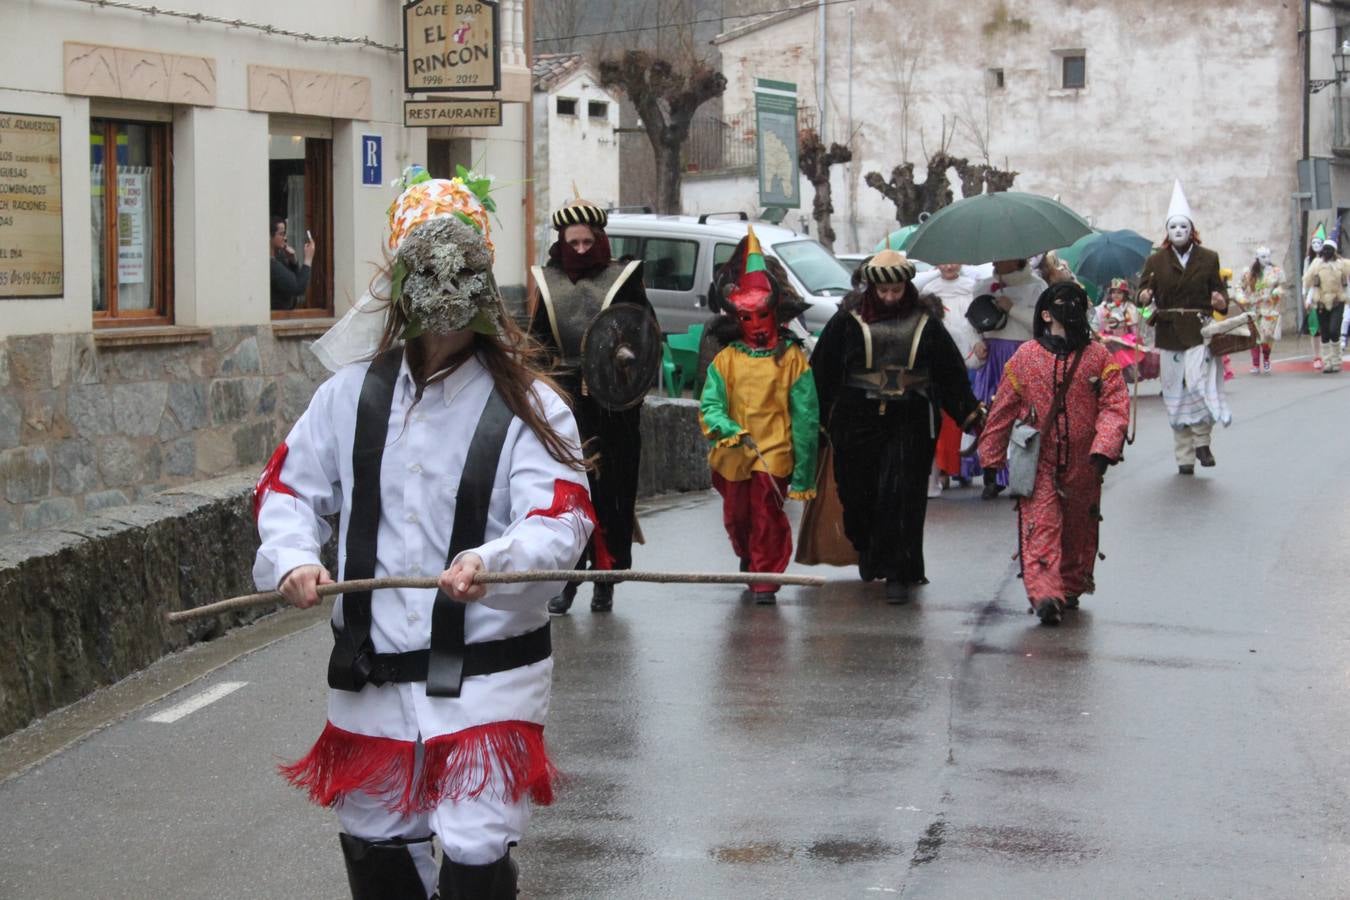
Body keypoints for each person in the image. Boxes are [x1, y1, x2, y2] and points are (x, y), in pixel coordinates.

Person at [254, 166, 596, 899]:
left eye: (458, 285)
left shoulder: (531, 408)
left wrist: (493, 559)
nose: (443, 314)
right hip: (370, 678)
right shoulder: (346, 397)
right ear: (399, 285)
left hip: (486, 678)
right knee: (376, 850)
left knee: (474, 850)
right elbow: (288, 489)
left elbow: (561, 519)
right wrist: (290, 560)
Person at [810, 250, 983, 603]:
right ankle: (869, 549)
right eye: (884, 292)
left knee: (902, 495)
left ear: (907, 286)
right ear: (872, 288)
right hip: (856, 419)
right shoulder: (846, 321)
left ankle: (899, 572)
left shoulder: (926, 321)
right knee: (856, 495)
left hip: (910, 419)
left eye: (897, 290)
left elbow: (949, 372)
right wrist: (816, 420)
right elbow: (822, 371)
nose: (890, 298)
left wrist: (968, 412)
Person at [528, 190, 654, 614]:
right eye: (573, 244)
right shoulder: (550, 283)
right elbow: (539, 343)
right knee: (566, 495)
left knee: (611, 492)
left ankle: (607, 577)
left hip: (614, 408)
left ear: (599, 240)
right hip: (566, 404)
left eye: (587, 243)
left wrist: (622, 365)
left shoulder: (624, 279)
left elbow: (643, 334)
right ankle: (568, 579)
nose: (581, 251)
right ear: (562, 244)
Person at [977, 282, 1130, 626]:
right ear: (1046, 313)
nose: (1072, 309)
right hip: (1038, 458)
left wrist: (1104, 447)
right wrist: (991, 457)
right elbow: (1003, 409)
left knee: (1078, 526)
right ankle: (1046, 593)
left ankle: (1071, 586)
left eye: (1077, 303)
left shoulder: (1098, 357)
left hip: (1085, 460)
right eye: (1064, 303)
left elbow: (1115, 405)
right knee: (1040, 522)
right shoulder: (1026, 358)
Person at [698, 226, 819, 604]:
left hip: (774, 451)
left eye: (762, 314)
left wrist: (803, 473)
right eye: (747, 317)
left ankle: (766, 578)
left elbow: (806, 418)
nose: (756, 324)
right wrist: (724, 427)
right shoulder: (726, 360)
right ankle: (749, 556)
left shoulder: (793, 360)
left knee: (767, 513)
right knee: (738, 517)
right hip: (734, 452)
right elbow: (710, 404)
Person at [1136, 180, 1231, 475]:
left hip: (1199, 333)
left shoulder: (1209, 258)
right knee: (1175, 391)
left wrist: (1220, 301)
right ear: (1167, 230)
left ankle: (1203, 441)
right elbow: (1140, 297)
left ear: (1191, 229)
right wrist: (1143, 297)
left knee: (1200, 387)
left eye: (1183, 226)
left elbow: (1221, 296)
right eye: (1173, 227)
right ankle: (1185, 457)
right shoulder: (1156, 260)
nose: (1178, 231)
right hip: (1169, 334)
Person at [967, 257, 1048, 497]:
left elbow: (1040, 324)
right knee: (990, 415)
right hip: (992, 356)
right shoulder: (982, 285)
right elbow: (972, 323)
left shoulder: (1037, 286)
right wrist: (977, 343)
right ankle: (992, 473)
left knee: (1021, 416)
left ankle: (1018, 472)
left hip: (1022, 354)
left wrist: (1011, 308)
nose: (997, 261)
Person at [919, 262, 984, 495]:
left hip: (967, 353)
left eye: (953, 260)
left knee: (965, 412)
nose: (948, 266)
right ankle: (943, 469)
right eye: (943, 261)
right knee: (943, 419)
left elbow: (975, 321)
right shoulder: (928, 290)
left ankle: (963, 467)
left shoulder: (971, 288)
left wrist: (978, 342)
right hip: (940, 357)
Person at [1094, 278, 1158, 382]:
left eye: (1119, 292)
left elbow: (1134, 327)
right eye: (1113, 292)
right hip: (1108, 338)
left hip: (1124, 338)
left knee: (1127, 361)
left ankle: (1124, 380)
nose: (1116, 295)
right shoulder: (1104, 307)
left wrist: (1138, 339)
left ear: (1124, 294)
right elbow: (1099, 324)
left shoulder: (1129, 307)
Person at [1302, 241, 1346, 374]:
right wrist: (1308, 300)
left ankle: (1337, 361)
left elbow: (1346, 285)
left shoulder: (1341, 265)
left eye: (1329, 250)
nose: (1326, 252)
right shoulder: (1316, 265)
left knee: (1334, 331)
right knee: (1325, 333)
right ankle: (1327, 362)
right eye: (1324, 249)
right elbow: (1310, 284)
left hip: (1337, 302)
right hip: (1321, 302)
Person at [1238, 247, 1284, 374]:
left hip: (1269, 309)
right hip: (1253, 308)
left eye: (1268, 256)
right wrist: (1241, 298)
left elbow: (1280, 286)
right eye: (1263, 257)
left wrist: (1276, 292)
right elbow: (1239, 287)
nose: (1267, 259)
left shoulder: (1276, 271)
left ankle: (1267, 359)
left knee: (1266, 336)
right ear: (1257, 258)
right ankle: (1256, 363)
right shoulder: (1248, 273)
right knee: (1254, 337)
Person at [270, 214, 316, 310]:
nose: (285, 238)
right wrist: (308, 259)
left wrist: (293, 262)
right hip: (278, 319)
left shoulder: (280, 258)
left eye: (285, 234)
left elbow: (295, 280)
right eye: (281, 234)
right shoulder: (271, 265)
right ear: (270, 236)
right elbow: (298, 288)